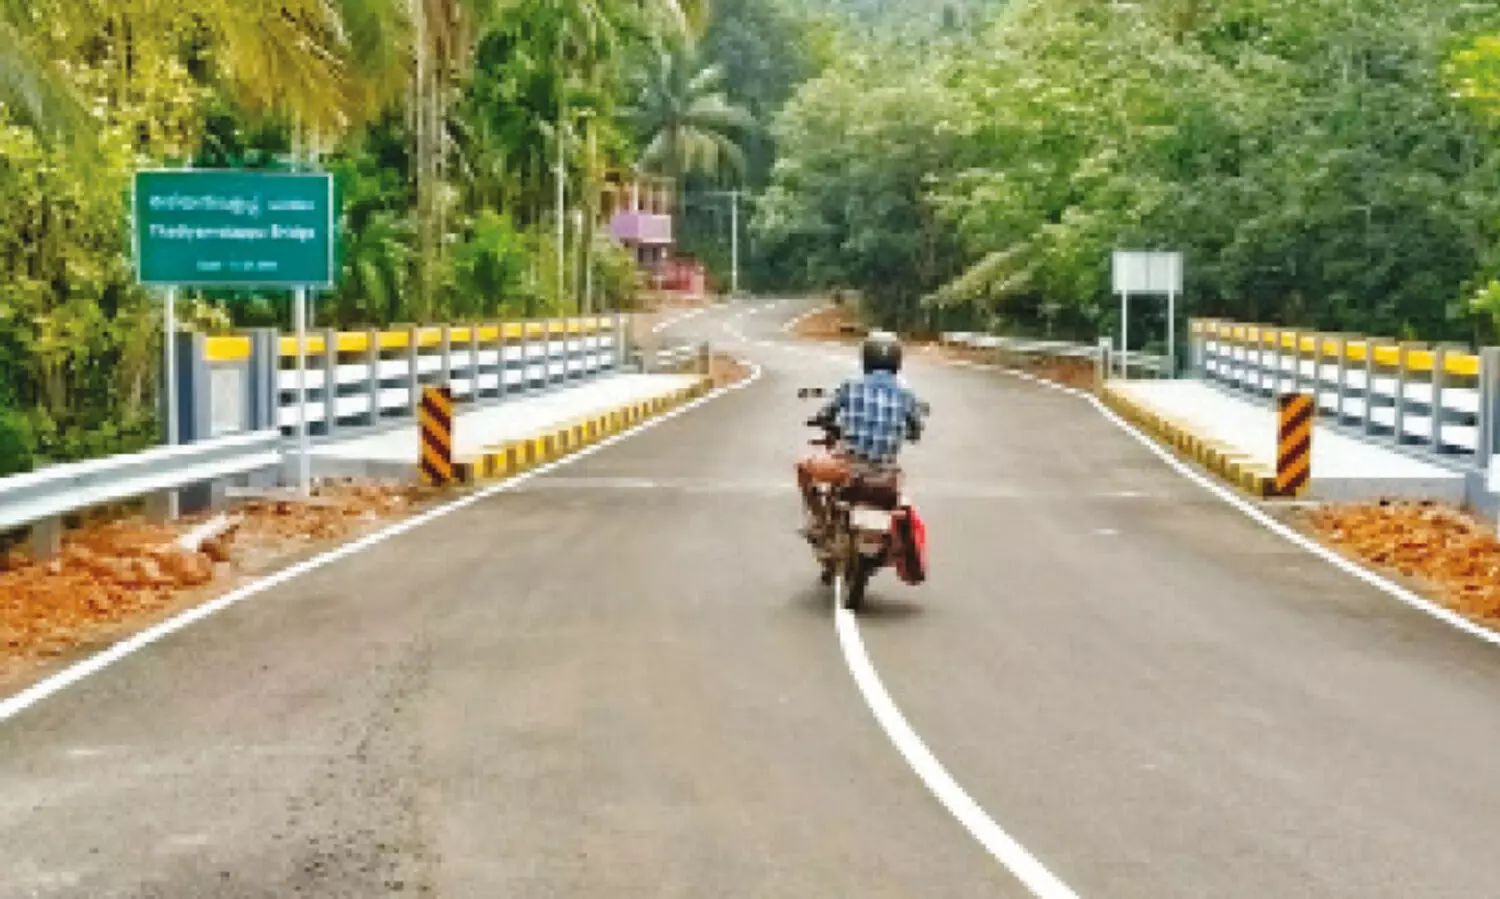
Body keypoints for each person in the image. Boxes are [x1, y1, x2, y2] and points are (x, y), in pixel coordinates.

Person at [797, 330, 926, 544]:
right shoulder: (907, 393)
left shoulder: (851, 384)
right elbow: (916, 430)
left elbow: (827, 413)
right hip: (886, 475)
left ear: (865, 357)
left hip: (850, 469)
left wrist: (821, 419)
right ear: (897, 360)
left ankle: (819, 523)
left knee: (803, 468)